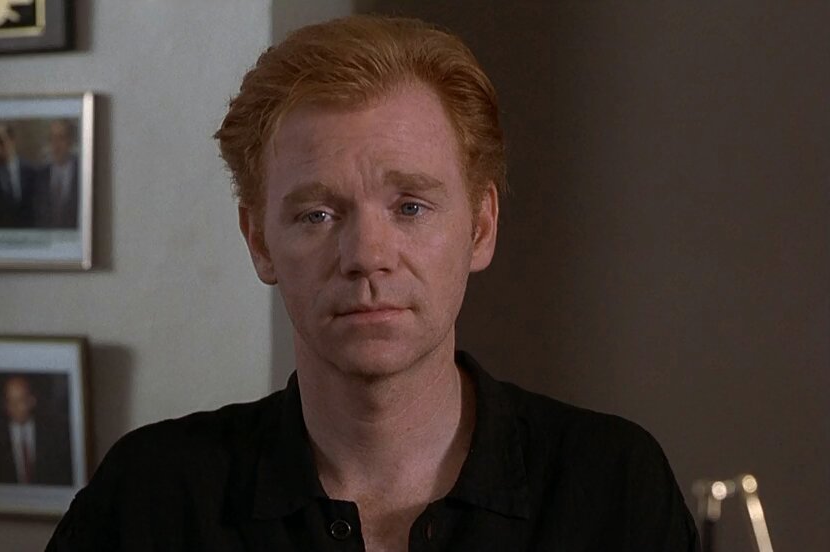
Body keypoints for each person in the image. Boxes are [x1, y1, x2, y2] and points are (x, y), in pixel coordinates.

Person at [46, 15, 700, 551]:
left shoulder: (611, 485)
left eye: (410, 207)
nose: (366, 256)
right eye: (317, 214)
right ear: (259, 241)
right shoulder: (152, 497)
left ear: (480, 228)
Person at [0, 376, 74, 486]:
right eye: (10, 401)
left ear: (32, 401)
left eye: (20, 400)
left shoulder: (52, 434)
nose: (15, 407)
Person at [37, 119, 80, 228]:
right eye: (52, 138)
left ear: (70, 141)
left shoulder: (81, 173)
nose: (56, 144)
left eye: (61, 138)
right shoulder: (41, 175)